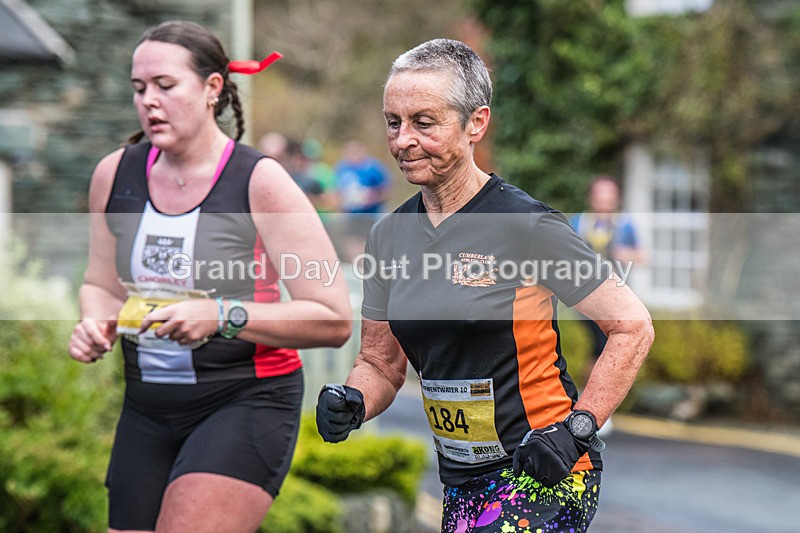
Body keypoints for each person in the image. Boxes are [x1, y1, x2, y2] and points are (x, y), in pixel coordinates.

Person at [315, 39, 653, 532]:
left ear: (476, 123)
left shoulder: (525, 225)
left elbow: (632, 326)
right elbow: (381, 364)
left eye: (423, 122)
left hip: (545, 472)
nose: (403, 139)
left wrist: (578, 428)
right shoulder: (388, 237)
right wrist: (352, 401)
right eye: (393, 122)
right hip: (461, 481)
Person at [68, 21, 351, 533]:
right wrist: (94, 322)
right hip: (147, 407)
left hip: (244, 399)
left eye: (165, 86)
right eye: (138, 89)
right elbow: (100, 284)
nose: (148, 101)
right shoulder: (115, 174)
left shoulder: (259, 182)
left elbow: (332, 317)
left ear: (211, 89)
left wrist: (221, 315)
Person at [570, 175, 644, 388]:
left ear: (616, 198)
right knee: (601, 348)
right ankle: (591, 402)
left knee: (605, 350)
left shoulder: (625, 225)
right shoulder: (579, 223)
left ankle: (593, 403)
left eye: (609, 195)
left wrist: (625, 253)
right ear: (591, 198)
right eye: (600, 194)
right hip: (587, 297)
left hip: (617, 298)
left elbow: (642, 257)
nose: (604, 200)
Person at [334, 139, 391, 261]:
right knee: (351, 242)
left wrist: (371, 197)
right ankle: (356, 267)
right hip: (351, 214)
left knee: (369, 242)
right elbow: (337, 191)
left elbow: (385, 191)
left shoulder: (373, 168)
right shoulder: (342, 168)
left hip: (370, 214)